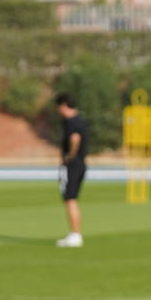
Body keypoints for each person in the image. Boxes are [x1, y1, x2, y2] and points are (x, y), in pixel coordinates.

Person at [54, 94, 88, 248]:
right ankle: (74, 234)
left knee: (70, 198)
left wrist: (69, 156)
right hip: (82, 163)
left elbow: (75, 139)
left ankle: (75, 234)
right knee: (72, 198)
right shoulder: (81, 120)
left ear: (63, 105)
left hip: (72, 164)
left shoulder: (70, 122)